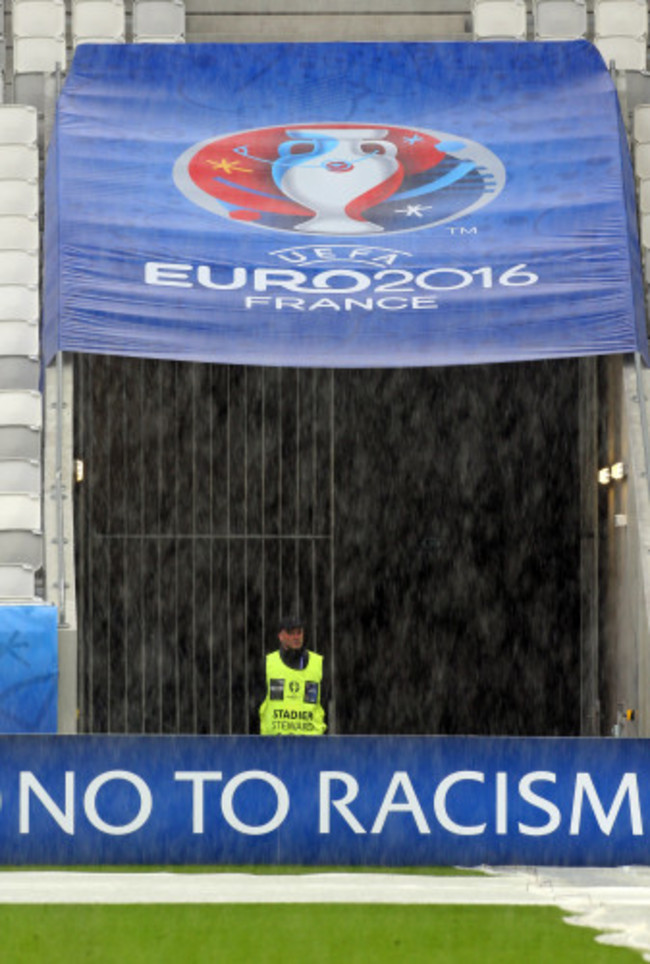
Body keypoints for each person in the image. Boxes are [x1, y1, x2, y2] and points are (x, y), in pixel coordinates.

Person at [259, 615, 327, 735]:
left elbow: (325, 704)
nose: (296, 637)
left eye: (299, 633)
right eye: (290, 633)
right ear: (280, 636)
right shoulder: (268, 664)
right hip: (275, 743)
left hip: (310, 743)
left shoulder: (317, 665)